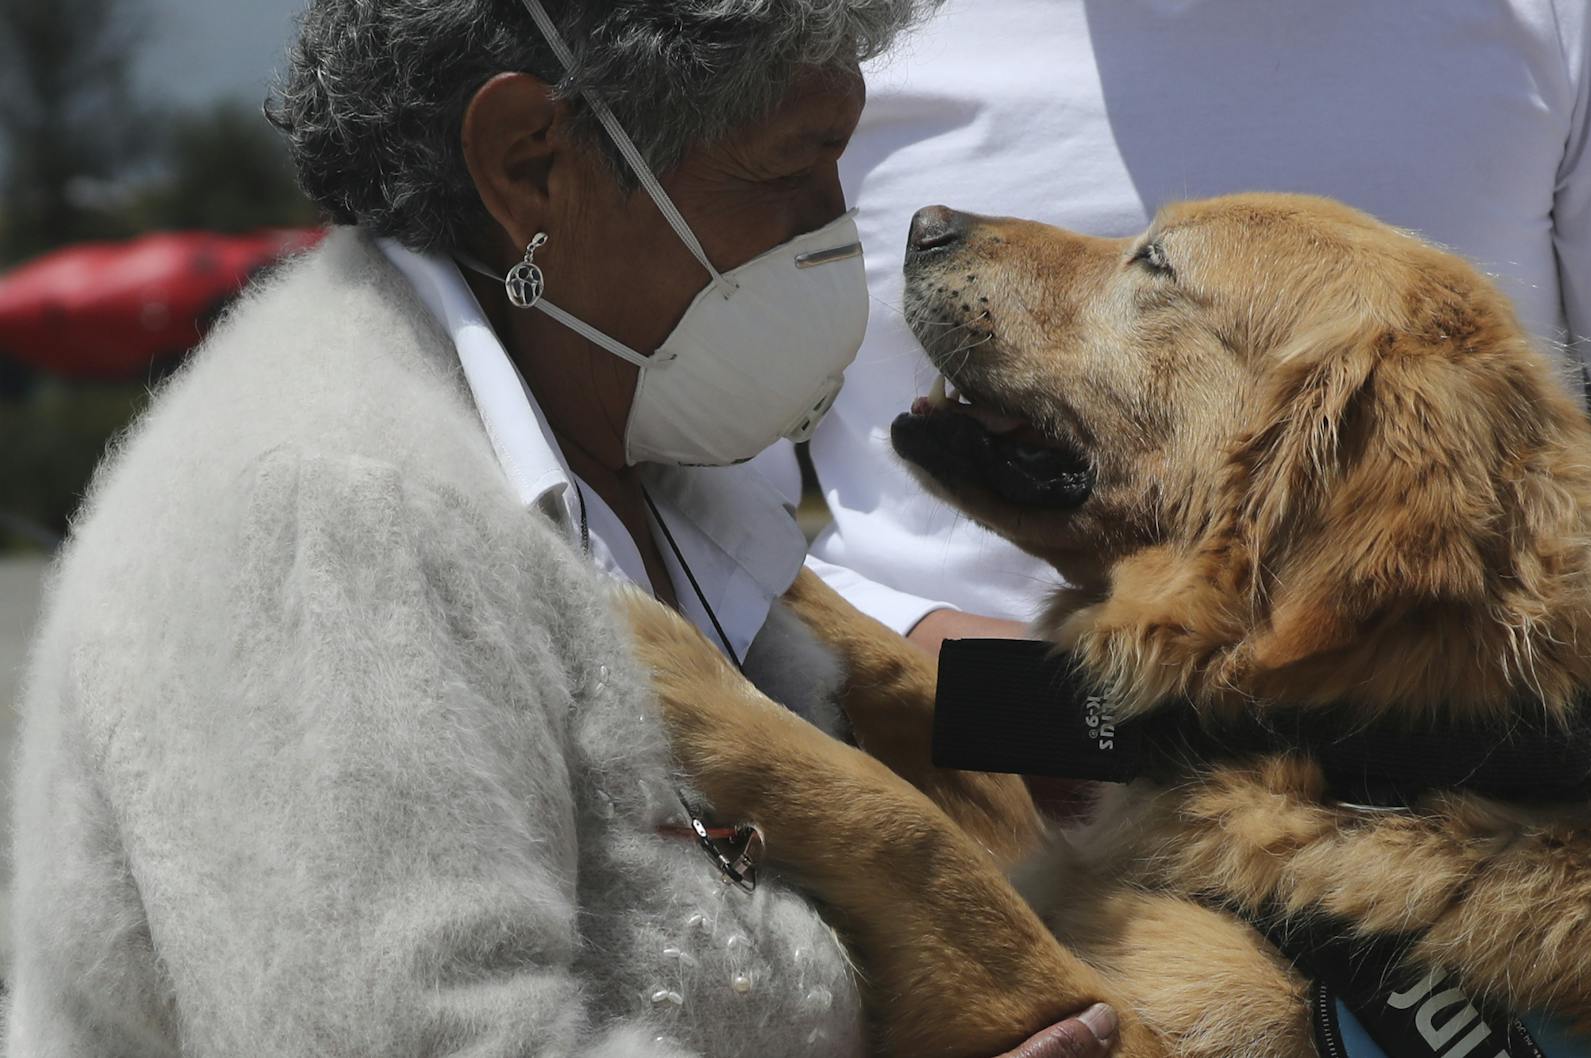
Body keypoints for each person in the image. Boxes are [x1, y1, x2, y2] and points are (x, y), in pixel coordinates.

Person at [4, 2, 1116, 1055]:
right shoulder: (329, 519)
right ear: (528, 160)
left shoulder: (645, 445)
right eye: (786, 168)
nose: (834, 230)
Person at [801, 0, 1591, 662]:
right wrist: (909, 643)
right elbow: (675, 480)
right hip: (946, 808)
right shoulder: (820, 17)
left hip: (1421, 859)